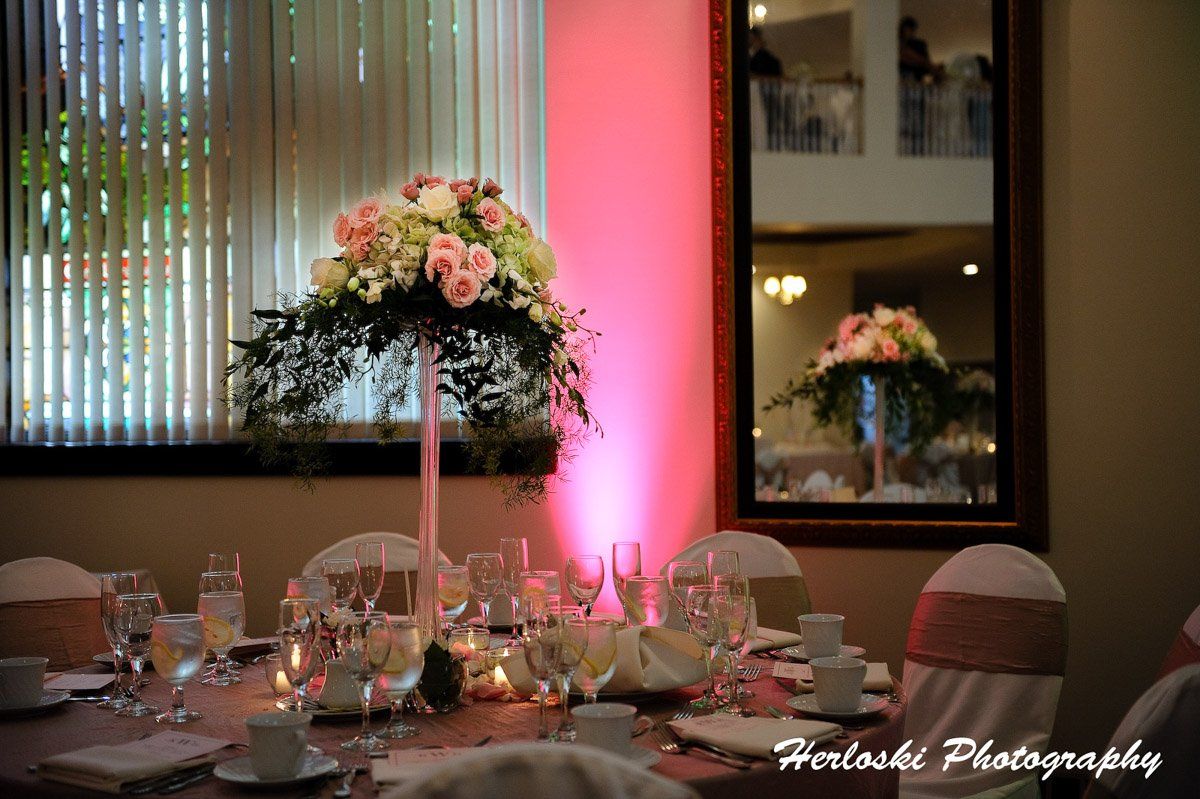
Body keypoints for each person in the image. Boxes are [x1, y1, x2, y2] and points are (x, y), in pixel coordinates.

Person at [898, 16, 939, 83]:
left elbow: (924, 62)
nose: (909, 32)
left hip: (914, 78)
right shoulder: (898, 45)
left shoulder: (918, 45)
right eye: (907, 29)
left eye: (911, 30)